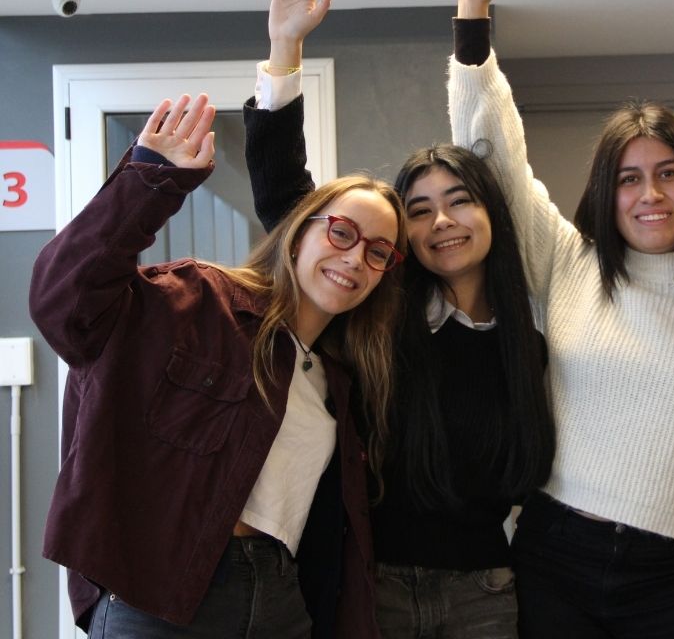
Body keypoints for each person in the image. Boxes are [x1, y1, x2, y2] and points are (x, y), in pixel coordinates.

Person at [243, 0, 556, 638]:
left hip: (487, 590)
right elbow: (286, 201)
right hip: (370, 585)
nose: (442, 221)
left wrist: (474, 13)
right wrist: (283, 50)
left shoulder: (527, 342)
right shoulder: (377, 314)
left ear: (491, 213)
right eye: (419, 209)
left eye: (460, 201)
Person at [446, 0, 674, 638]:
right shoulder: (571, 260)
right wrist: (472, 18)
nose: (651, 195)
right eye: (630, 179)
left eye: (668, 174)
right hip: (557, 555)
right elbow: (495, 160)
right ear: (607, 192)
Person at [30, 92, 405, 637]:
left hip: (278, 599)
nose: (355, 258)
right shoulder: (195, 300)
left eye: (378, 252)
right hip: (157, 594)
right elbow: (64, 303)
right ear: (299, 230)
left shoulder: (338, 382)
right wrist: (150, 179)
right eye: (341, 232)